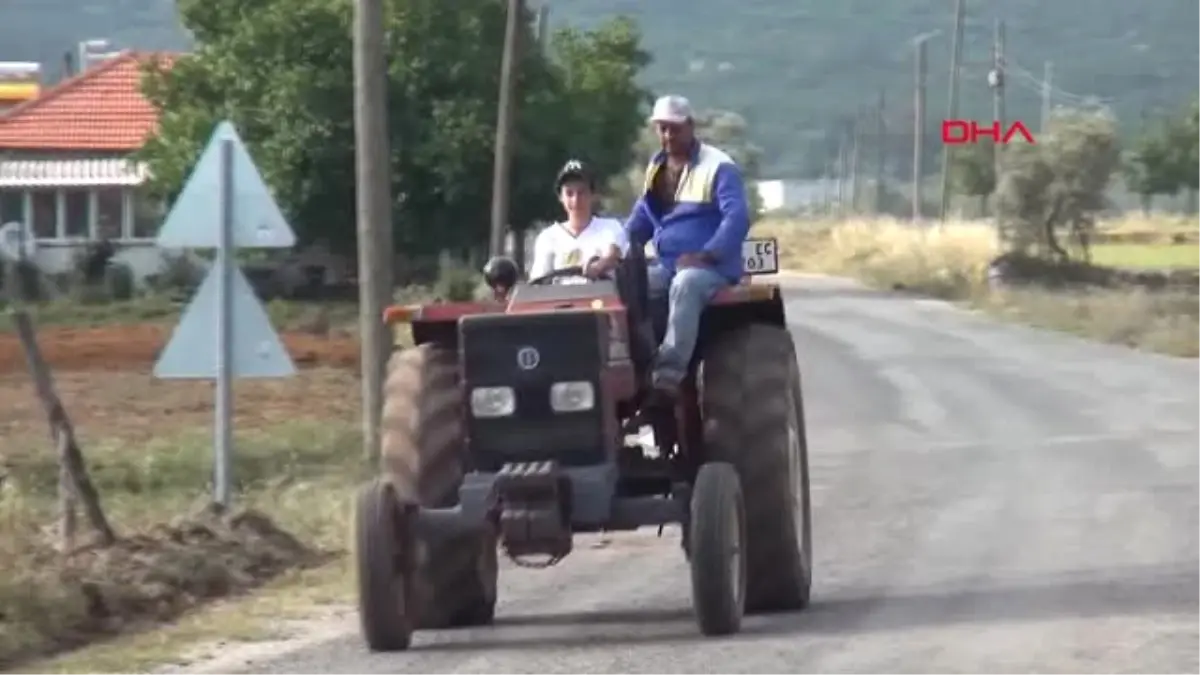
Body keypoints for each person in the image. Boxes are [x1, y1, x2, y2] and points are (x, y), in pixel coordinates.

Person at [623, 95, 751, 401]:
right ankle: (640, 364)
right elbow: (642, 216)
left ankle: (668, 374)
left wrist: (707, 254)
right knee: (632, 286)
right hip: (667, 265)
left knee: (686, 283)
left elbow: (738, 217)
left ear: (690, 127)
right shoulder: (656, 167)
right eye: (662, 129)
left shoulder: (719, 166)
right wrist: (619, 247)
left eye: (674, 129)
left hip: (712, 269)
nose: (667, 136)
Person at [528, 159, 628, 284]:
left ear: (593, 195)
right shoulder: (547, 238)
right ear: (560, 197)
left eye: (582, 192)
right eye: (569, 193)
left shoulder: (610, 227)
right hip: (560, 301)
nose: (576, 200)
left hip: (602, 299)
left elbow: (613, 254)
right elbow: (537, 283)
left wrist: (598, 266)